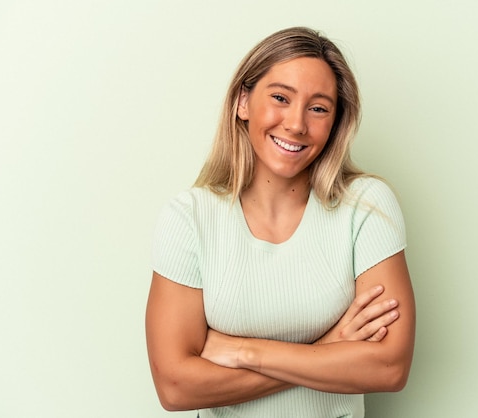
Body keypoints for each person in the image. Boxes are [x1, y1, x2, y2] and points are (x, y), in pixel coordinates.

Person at [146, 26, 415, 417]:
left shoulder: (367, 206)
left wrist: (243, 351)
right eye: (280, 98)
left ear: (336, 122)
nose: (296, 124)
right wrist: (329, 349)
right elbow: (175, 388)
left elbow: (389, 367)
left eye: (318, 108)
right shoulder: (189, 218)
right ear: (243, 102)